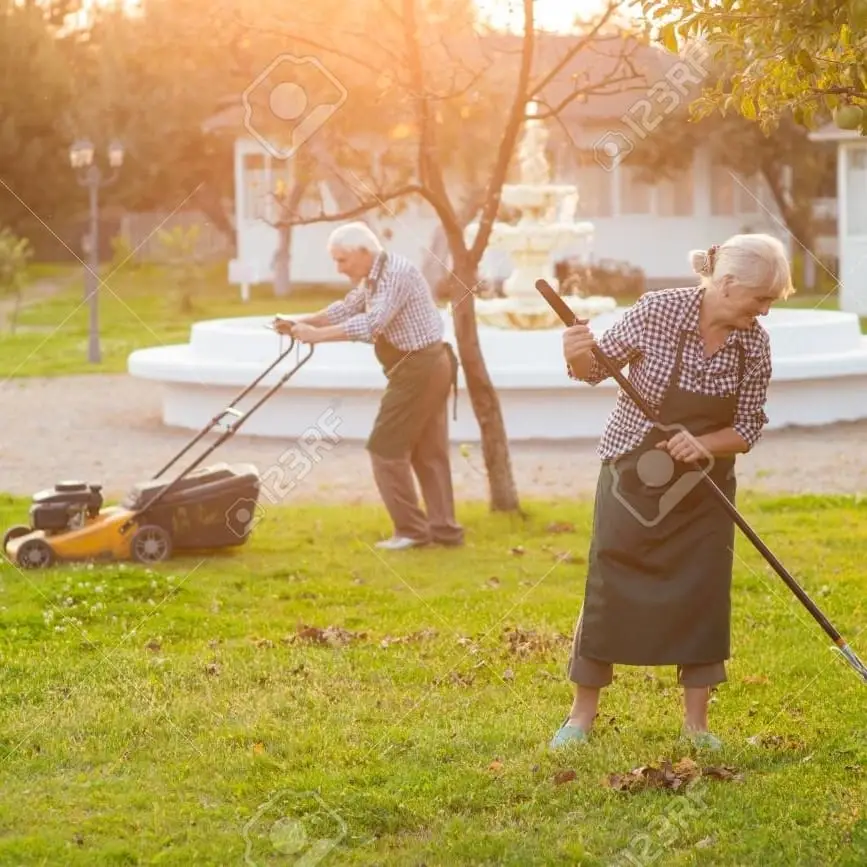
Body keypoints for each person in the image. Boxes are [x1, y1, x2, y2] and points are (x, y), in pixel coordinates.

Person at [550, 233, 794, 751]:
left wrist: (701, 442)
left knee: (702, 590)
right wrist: (574, 355)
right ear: (728, 285)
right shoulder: (658, 310)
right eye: (762, 299)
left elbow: (748, 428)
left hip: (704, 485)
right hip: (632, 472)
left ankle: (696, 726)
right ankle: (580, 717)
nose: (766, 311)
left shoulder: (754, 343)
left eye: (772, 301)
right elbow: (595, 369)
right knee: (609, 583)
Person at [273, 222, 464, 551]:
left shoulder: (396, 274)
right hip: (427, 365)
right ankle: (443, 531)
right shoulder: (375, 277)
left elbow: (373, 322)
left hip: (421, 367)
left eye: (342, 260)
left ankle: (412, 533)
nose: (339, 268)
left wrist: (317, 337)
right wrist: (300, 321)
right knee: (428, 452)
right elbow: (347, 308)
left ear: (364, 252)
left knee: (385, 448)